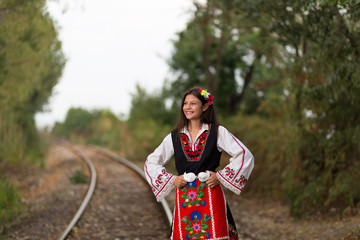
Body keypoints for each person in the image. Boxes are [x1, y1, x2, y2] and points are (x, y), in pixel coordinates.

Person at [144, 87, 254, 240]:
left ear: (205, 106)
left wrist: (220, 177)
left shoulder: (218, 132)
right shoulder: (175, 136)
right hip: (185, 197)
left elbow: (244, 155)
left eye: (193, 103)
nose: (187, 107)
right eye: (185, 103)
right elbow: (151, 162)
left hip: (211, 193)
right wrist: (172, 179)